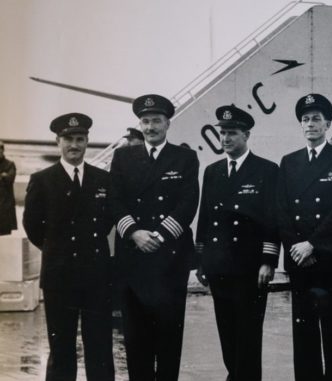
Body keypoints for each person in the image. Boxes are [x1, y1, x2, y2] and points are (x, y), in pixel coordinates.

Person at [109, 94, 199, 381]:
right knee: (136, 339)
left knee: (169, 336)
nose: (150, 127)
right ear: (139, 124)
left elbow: (188, 204)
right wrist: (135, 232)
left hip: (169, 258)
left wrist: (158, 235)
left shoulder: (185, 157)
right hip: (133, 258)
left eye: (156, 121)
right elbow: (114, 201)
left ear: (168, 123)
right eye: (145, 121)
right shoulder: (123, 157)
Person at [23, 113, 115, 381]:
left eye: (80, 139)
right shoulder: (42, 180)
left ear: (87, 142)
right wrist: (58, 250)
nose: (74, 145)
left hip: (96, 274)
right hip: (59, 275)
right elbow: (33, 227)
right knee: (61, 347)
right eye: (68, 140)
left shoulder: (102, 179)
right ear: (57, 142)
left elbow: (107, 220)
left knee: (99, 346)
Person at [195, 104, 279, 381]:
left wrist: (268, 261)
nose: (226, 139)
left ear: (246, 135)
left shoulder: (266, 170)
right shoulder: (212, 171)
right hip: (219, 266)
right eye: (223, 134)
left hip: (250, 268)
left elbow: (272, 220)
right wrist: (201, 260)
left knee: (248, 336)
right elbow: (205, 218)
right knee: (227, 334)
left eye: (232, 133)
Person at [277, 93, 332, 381]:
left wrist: (312, 244)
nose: (310, 124)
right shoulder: (289, 162)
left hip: (329, 259)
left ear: (327, 124)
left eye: (316, 119)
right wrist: (296, 247)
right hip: (300, 260)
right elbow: (282, 210)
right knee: (304, 332)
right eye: (305, 119)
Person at [0, 140, 17, 235]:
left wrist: (5, 177)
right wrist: (2, 176)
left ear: (2, 150)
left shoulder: (9, 164)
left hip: (5, 204)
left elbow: (10, 179)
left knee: (4, 235)